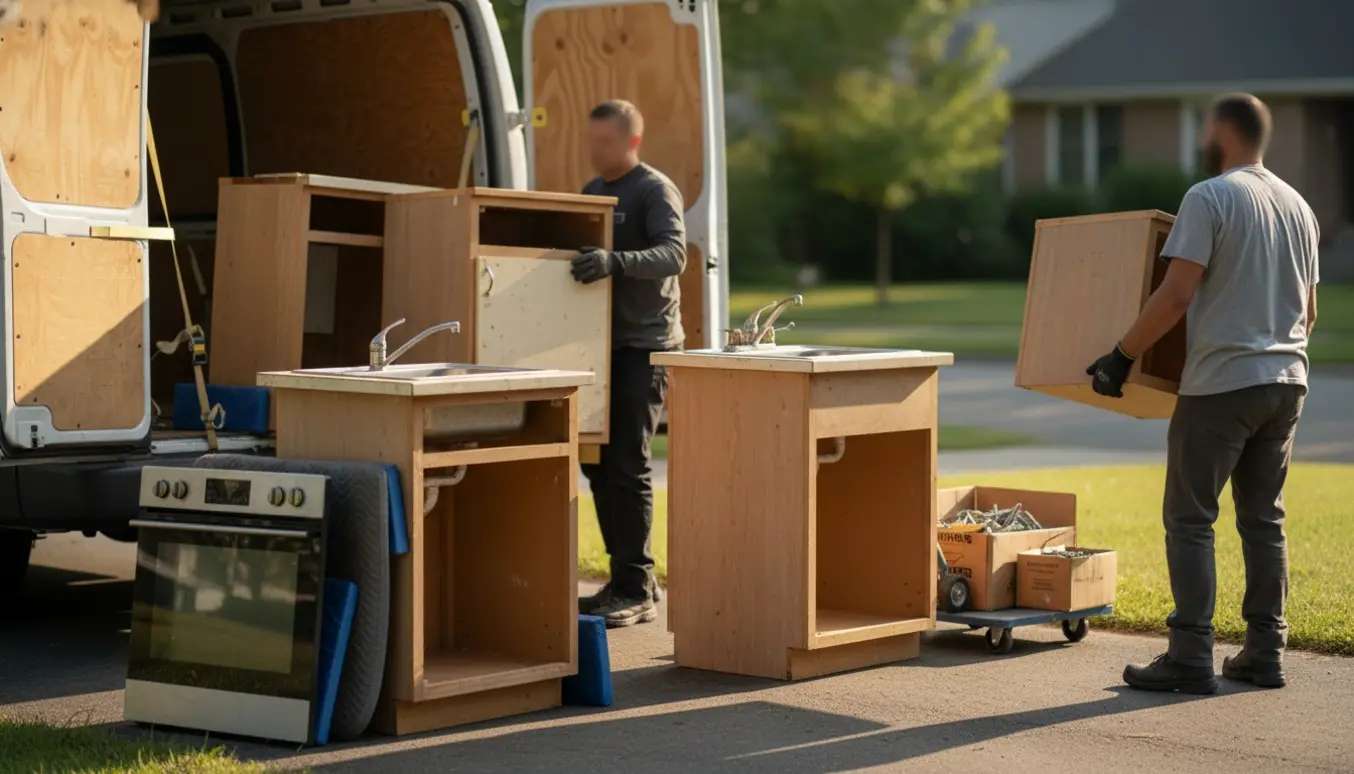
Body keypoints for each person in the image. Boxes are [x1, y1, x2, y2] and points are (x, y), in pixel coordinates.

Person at [1086, 93, 1319, 694]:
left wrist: (1121, 355)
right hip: (1287, 382)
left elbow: (1176, 294)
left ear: (1223, 132)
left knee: (1190, 519)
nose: (1199, 141)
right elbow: (1310, 313)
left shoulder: (1209, 197)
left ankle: (1190, 656)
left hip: (1222, 385)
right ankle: (1265, 654)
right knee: (1264, 521)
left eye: (1203, 130)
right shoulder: (1299, 207)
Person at [570, 99, 686, 628]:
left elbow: (674, 254)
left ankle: (635, 587)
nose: (594, 151)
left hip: (646, 347)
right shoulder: (592, 194)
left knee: (627, 465)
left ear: (632, 141)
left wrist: (616, 262)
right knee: (594, 463)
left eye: (605, 143)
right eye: (590, 141)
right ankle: (626, 582)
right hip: (597, 349)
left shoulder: (652, 189)